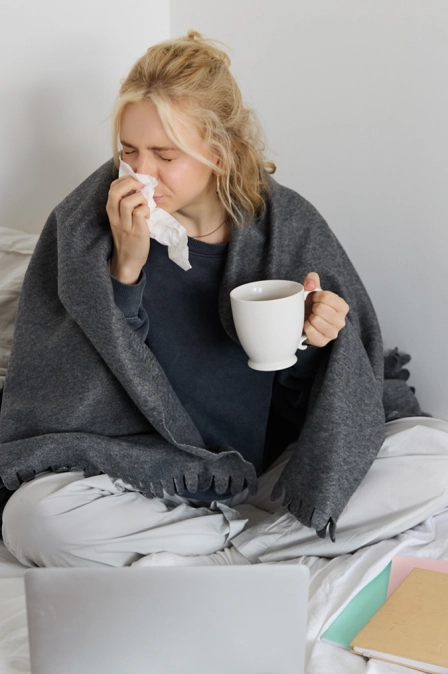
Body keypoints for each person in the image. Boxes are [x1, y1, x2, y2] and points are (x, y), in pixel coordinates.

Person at [0, 31, 384, 568]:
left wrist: (317, 341)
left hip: (260, 467)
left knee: (430, 454)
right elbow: (72, 383)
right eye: (128, 152)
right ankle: (253, 544)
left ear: (221, 153)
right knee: (32, 520)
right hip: (144, 470)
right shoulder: (85, 226)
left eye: (165, 154)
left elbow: (330, 400)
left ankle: (221, 549)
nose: (142, 173)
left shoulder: (288, 228)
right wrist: (125, 270)